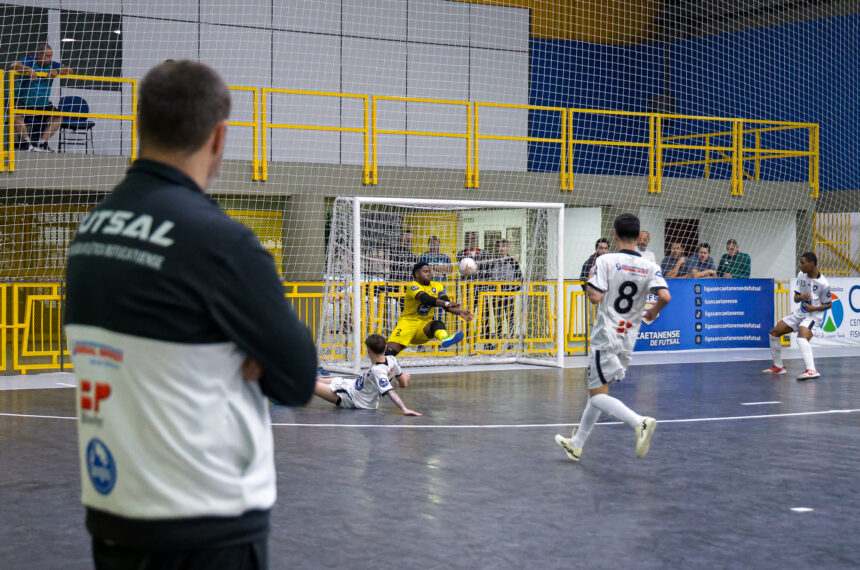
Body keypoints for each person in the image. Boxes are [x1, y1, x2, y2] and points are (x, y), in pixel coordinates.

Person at [64, 61, 317, 569]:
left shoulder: (91, 232)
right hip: (205, 521)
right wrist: (245, 353)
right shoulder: (221, 243)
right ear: (219, 137)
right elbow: (296, 379)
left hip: (114, 513)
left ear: (141, 126)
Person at [555, 213, 671, 462]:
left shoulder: (606, 260)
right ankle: (576, 444)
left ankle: (639, 422)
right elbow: (665, 296)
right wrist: (651, 312)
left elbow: (595, 297)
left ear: (615, 235)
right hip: (628, 338)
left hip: (606, 335)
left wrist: (589, 280)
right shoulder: (651, 265)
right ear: (639, 237)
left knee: (598, 396)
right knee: (599, 393)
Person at [763, 252, 831, 380]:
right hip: (800, 313)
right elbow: (795, 298)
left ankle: (811, 370)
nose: (800, 266)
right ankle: (778, 367)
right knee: (774, 333)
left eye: (803, 263)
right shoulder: (801, 275)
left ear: (811, 264)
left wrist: (815, 308)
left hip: (813, 316)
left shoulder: (823, 284)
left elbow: (828, 305)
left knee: (801, 338)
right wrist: (801, 296)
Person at [313, 334, 420, 415]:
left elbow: (391, 393)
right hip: (351, 384)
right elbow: (403, 384)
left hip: (352, 398)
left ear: (368, 351)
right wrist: (404, 378)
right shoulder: (393, 360)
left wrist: (404, 409)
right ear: (386, 348)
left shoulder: (377, 370)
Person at [386, 261, 473, 356]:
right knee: (389, 353)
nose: (429, 274)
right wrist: (447, 303)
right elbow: (425, 299)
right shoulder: (413, 286)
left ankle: (445, 338)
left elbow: (446, 305)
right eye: (425, 271)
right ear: (417, 274)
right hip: (407, 324)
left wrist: (459, 311)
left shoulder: (437, 286)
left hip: (424, 327)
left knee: (437, 323)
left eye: (430, 271)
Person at [9, 44, 73, 152]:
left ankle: (41, 144)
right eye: (47, 56)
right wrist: (27, 69)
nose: (50, 58)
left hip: (43, 104)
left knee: (58, 118)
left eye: (51, 56)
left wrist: (57, 71)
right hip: (24, 102)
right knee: (15, 116)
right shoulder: (29, 61)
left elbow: (70, 70)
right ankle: (27, 143)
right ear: (39, 55)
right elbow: (13, 65)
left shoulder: (53, 65)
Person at [487, 239, 522, 345]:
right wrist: (491, 289)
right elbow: (487, 277)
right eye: (500, 246)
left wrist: (512, 290)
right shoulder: (492, 263)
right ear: (497, 248)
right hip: (496, 295)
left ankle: (510, 340)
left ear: (508, 248)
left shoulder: (513, 263)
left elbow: (520, 279)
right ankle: (498, 339)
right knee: (498, 317)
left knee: (510, 317)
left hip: (509, 295)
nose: (502, 248)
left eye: (504, 246)